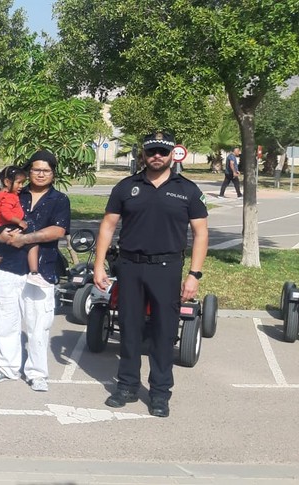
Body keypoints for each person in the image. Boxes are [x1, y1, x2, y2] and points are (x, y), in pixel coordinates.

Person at [95, 131, 208, 418]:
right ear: (143, 154)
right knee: (129, 328)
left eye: (163, 151)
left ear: (172, 154)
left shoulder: (188, 190)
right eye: (152, 151)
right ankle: (127, 386)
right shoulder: (125, 187)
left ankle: (160, 392)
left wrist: (194, 274)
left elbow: (200, 233)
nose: (157, 156)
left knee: (163, 332)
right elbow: (108, 226)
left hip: (167, 269)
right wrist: (98, 265)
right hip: (130, 266)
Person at [0, 150, 71, 393]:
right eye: (36, 169)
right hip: (9, 267)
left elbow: (58, 231)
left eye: (46, 170)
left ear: (53, 173)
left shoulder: (59, 200)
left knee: (38, 325)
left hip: (40, 270)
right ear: (29, 171)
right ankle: (7, 368)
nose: (40, 174)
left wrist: (27, 238)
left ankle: (37, 373)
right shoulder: (14, 193)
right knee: (5, 322)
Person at [0, 166, 49, 289]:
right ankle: (34, 272)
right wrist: (19, 222)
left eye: (22, 183)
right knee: (33, 244)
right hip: (10, 226)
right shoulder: (10, 196)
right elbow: (6, 213)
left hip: (0, 226)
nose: (20, 186)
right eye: (19, 183)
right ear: (8, 182)